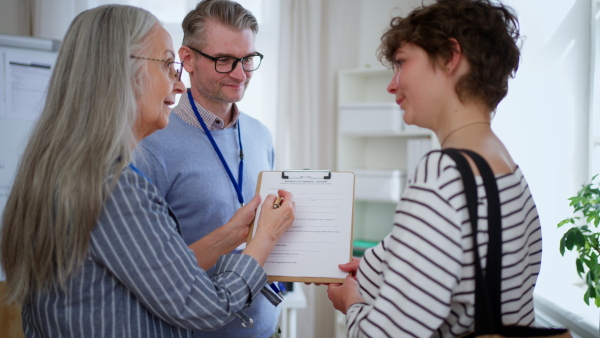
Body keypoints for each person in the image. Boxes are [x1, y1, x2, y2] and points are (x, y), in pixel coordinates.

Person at [0, 5, 295, 337]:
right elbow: (206, 305)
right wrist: (266, 237)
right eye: (169, 65)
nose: (180, 85)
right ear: (122, 74)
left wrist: (235, 234)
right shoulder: (116, 188)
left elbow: (154, 266)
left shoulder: (63, 171)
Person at [327, 0, 541, 336]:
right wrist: (371, 268)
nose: (392, 84)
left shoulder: (441, 175)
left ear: (449, 56)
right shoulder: (506, 167)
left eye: (401, 63)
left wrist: (351, 305)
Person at [135, 1, 278, 336]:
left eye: (247, 60)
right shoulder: (149, 143)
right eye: (224, 60)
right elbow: (148, 271)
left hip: (266, 328)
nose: (241, 74)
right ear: (187, 59)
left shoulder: (260, 134)